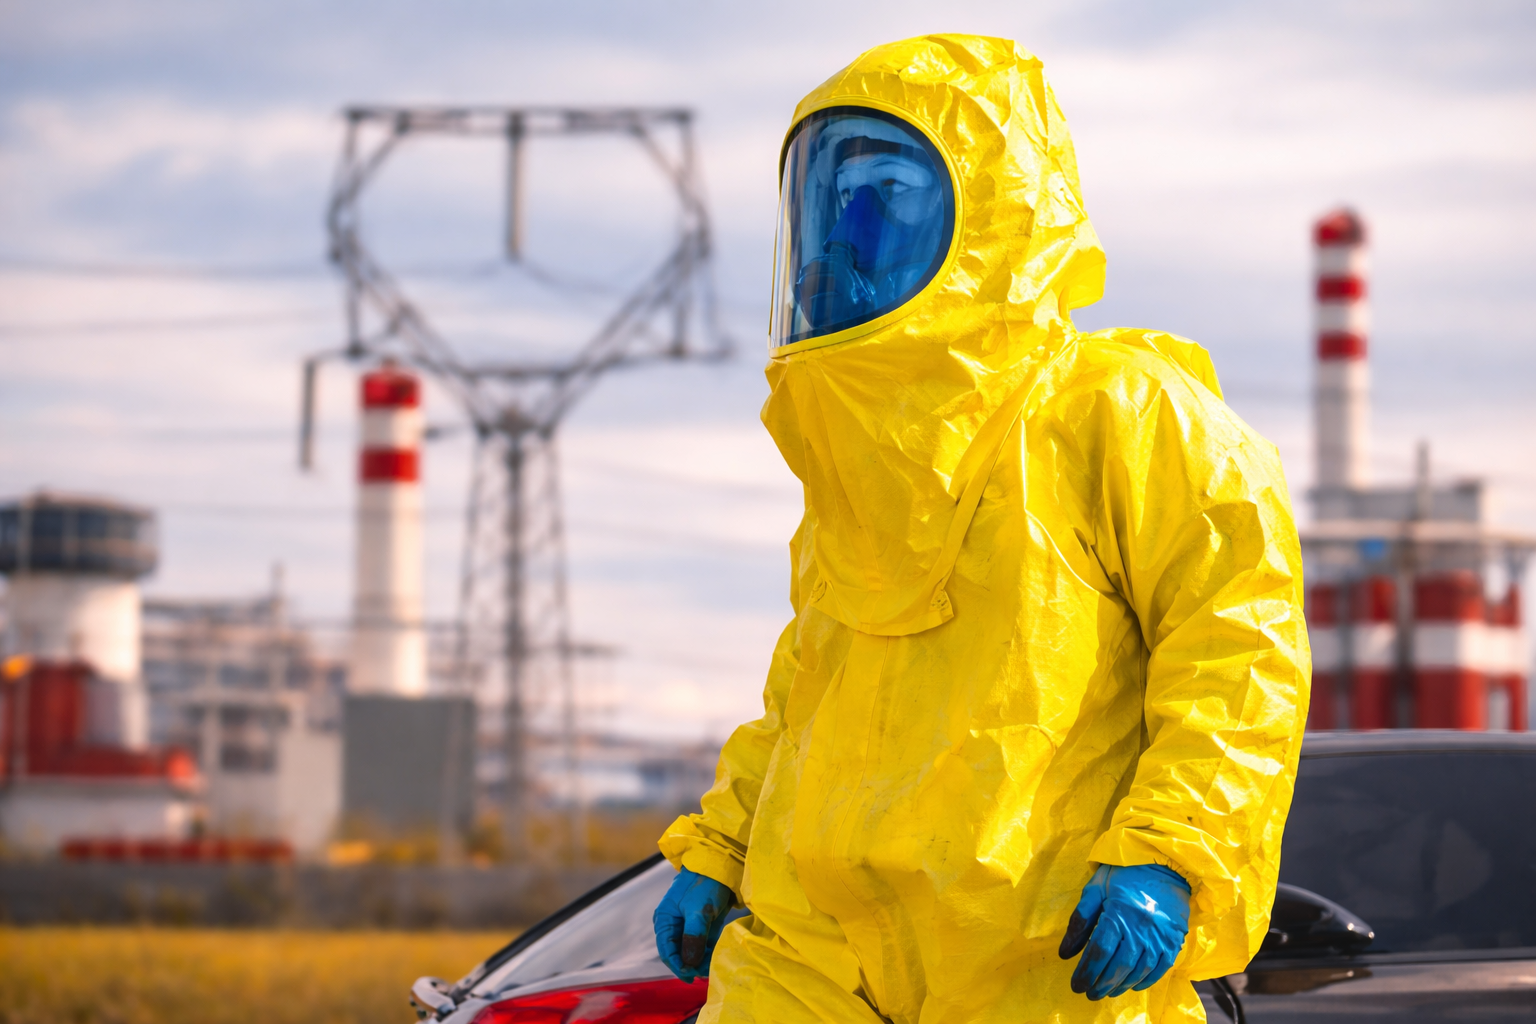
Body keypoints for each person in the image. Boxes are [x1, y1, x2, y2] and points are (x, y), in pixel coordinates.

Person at [653, 34, 1309, 1024]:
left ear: (996, 207)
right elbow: (808, 688)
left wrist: (1171, 856)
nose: (847, 231)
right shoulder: (861, 457)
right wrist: (726, 843)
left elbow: (1236, 648)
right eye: (831, 196)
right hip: (813, 947)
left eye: (891, 191)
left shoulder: (1123, 414)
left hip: (1043, 952)